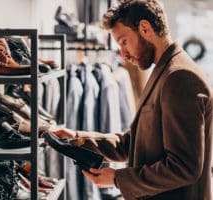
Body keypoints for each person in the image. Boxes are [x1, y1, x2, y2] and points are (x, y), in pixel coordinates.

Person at [48, 0, 213, 199]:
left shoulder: (179, 77)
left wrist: (118, 178)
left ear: (145, 28)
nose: (123, 54)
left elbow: (184, 167)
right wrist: (76, 138)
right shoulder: (164, 72)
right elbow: (131, 142)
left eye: (124, 41)